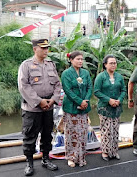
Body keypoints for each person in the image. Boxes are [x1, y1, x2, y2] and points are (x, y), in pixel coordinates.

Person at [18, 39, 61, 176]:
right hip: (32, 108)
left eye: (47, 48)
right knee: (30, 135)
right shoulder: (26, 65)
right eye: (43, 48)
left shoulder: (51, 65)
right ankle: (29, 162)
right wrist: (39, 101)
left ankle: (46, 158)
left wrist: (53, 99)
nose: (46, 50)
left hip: (48, 107)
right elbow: (24, 86)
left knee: (47, 134)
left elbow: (57, 85)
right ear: (35, 49)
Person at [61, 51, 93, 167]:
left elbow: (90, 87)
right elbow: (67, 90)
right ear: (71, 60)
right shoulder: (66, 73)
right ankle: (71, 157)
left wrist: (86, 100)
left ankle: (81, 156)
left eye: (81, 59)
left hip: (84, 107)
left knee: (83, 132)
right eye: (78, 59)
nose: (80, 61)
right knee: (71, 132)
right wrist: (79, 101)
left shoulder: (85, 73)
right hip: (71, 107)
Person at [94, 55, 126, 161]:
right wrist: (109, 100)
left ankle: (114, 151)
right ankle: (105, 152)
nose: (113, 65)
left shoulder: (119, 77)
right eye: (111, 63)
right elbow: (97, 91)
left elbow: (123, 90)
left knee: (115, 130)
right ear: (105, 64)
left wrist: (119, 100)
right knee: (106, 130)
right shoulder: (101, 77)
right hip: (105, 108)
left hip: (116, 108)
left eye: (115, 63)